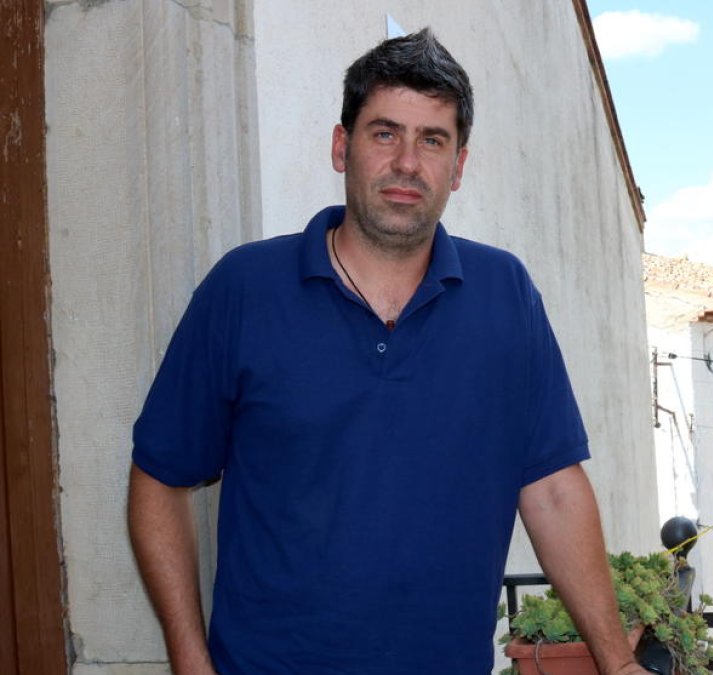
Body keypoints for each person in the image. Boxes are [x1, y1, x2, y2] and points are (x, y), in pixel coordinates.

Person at [127, 28, 651, 675]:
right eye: (385, 133)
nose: (408, 161)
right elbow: (159, 476)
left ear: (458, 165)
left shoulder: (505, 296)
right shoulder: (244, 290)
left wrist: (618, 662)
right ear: (341, 147)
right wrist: (189, 657)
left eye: (432, 139)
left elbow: (551, 489)